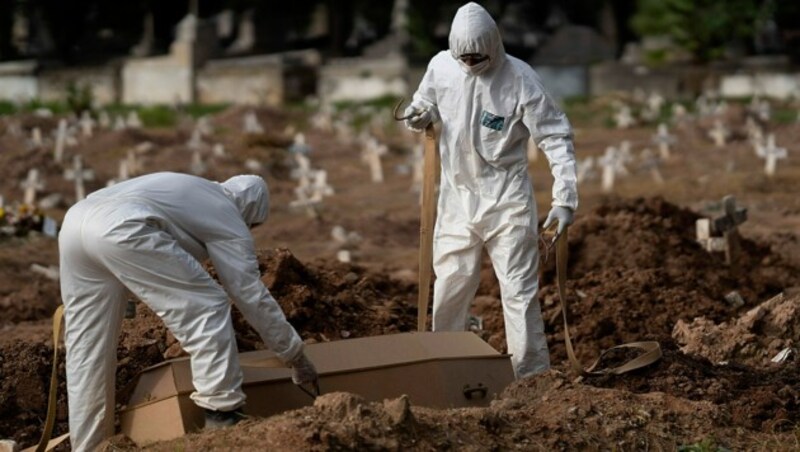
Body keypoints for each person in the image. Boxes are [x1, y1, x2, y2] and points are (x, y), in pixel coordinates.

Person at [58, 172, 318, 451]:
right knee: (208, 306)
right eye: (251, 225)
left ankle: (88, 445)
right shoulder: (228, 213)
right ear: (250, 211)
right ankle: (223, 412)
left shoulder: (195, 190)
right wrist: (294, 355)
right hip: (121, 227)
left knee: (87, 345)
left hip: (74, 224)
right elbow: (248, 293)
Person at [404, 2, 578, 379]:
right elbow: (424, 103)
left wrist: (564, 199)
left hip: (506, 198)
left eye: (476, 56)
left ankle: (530, 377)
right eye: (462, 56)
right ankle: (446, 370)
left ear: (494, 46)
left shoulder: (519, 78)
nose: (469, 62)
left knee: (517, 290)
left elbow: (555, 136)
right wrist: (418, 116)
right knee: (450, 285)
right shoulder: (440, 66)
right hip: (456, 196)